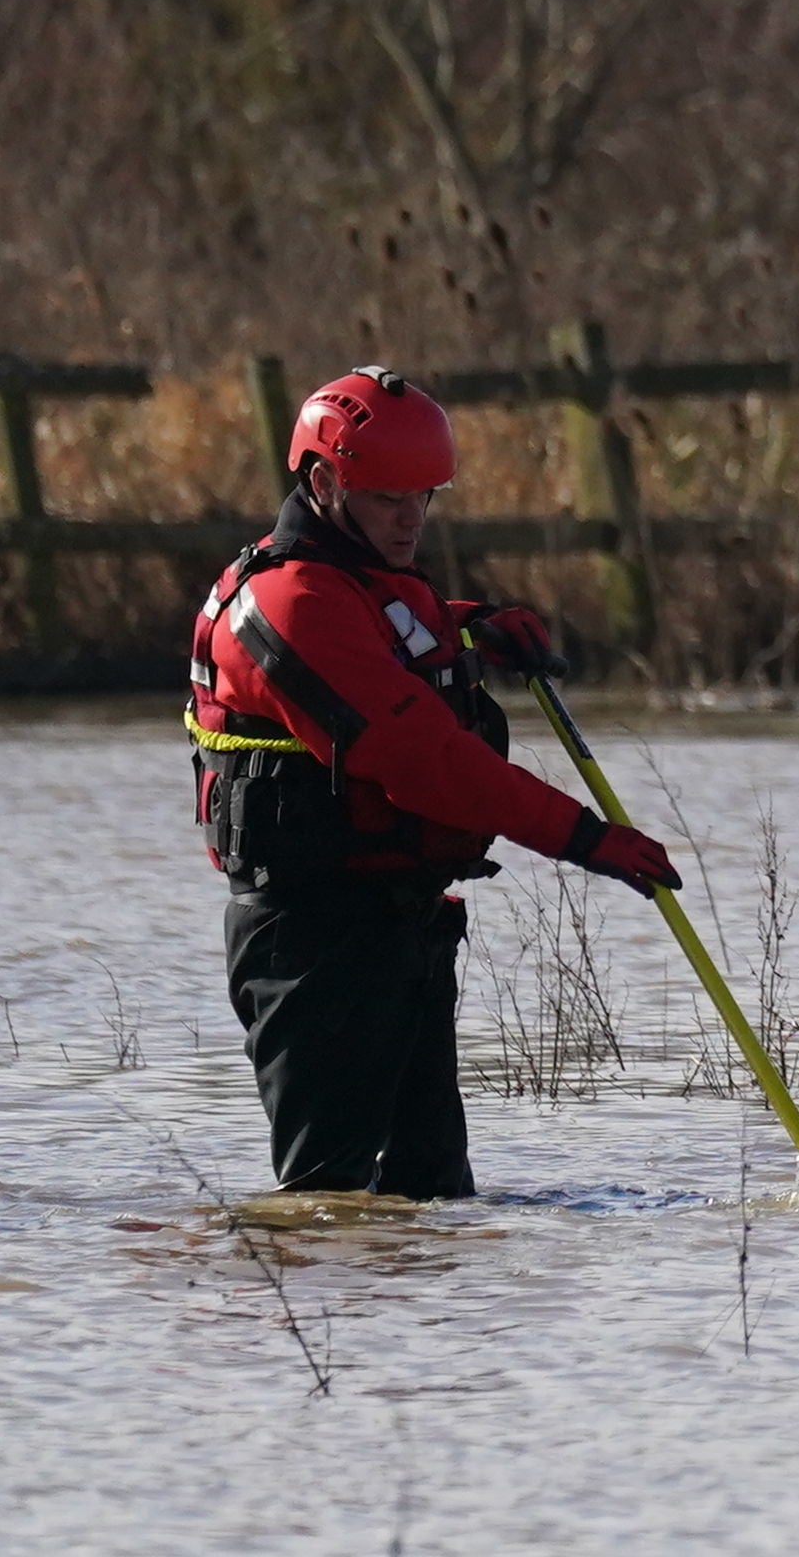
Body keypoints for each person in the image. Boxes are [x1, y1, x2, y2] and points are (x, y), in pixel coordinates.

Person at [190, 367, 680, 1197]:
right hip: (314, 945)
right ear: (323, 482)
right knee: (326, 1211)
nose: (413, 517)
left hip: (397, 926)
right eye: (389, 498)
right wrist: (587, 841)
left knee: (432, 1200)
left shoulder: (358, 578)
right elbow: (430, 765)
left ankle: (433, 1331)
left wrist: (471, 627)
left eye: (426, 495)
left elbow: (393, 627)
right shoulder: (289, 603)